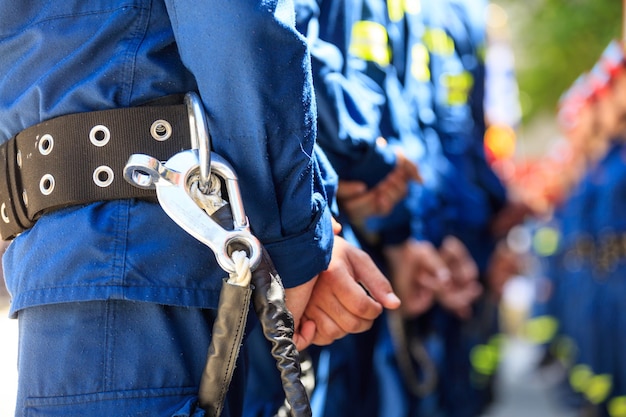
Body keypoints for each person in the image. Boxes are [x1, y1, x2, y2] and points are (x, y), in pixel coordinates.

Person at [0, 1, 401, 416]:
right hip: (146, 262)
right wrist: (294, 250)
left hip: (74, 261)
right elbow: (238, 25)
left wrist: (303, 241)